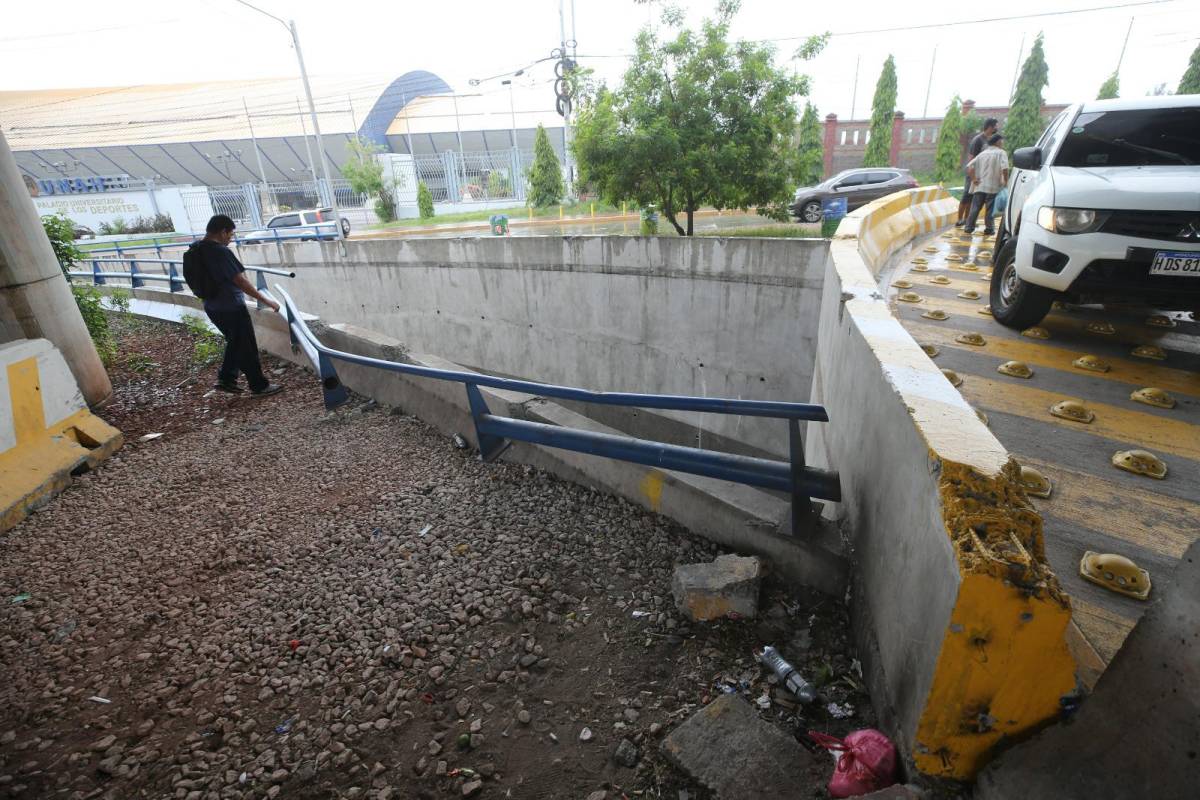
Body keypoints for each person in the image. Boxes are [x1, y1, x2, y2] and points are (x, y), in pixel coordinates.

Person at [186, 214, 282, 396]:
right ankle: (250, 384)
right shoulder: (220, 252)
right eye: (230, 235)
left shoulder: (196, 250)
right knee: (245, 346)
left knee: (237, 344)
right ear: (222, 232)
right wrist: (267, 301)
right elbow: (241, 281)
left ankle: (237, 381)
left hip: (212, 307)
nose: (230, 240)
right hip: (231, 307)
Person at [962, 133, 1010, 236]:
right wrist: (1006, 181)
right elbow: (1005, 168)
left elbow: (969, 167)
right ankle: (989, 229)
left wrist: (974, 179)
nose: (1002, 143)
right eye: (1001, 141)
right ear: (997, 142)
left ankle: (969, 227)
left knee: (975, 208)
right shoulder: (1001, 153)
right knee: (990, 210)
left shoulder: (982, 153)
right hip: (993, 187)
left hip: (979, 186)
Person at [955, 117, 999, 227]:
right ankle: (959, 219)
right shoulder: (978, 139)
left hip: (981, 174)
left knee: (973, 197)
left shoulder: (989, 140)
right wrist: (973, 176)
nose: (997, 128)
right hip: (972, 173)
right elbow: (971, 158)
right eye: (996, 126)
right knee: (966, 196)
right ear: (990, 127)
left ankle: (967, 220)